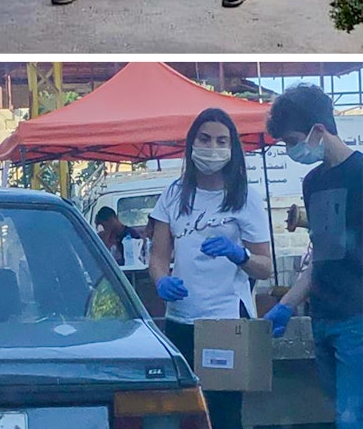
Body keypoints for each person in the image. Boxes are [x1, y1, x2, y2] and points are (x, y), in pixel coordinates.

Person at [149, 108, 273, 429]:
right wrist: (162, 281)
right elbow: (159, 257)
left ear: (232, 149)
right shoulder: (173, 195)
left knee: (224, 415)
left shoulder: (245, 198)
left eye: (221, 141)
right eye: (205, 139)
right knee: (183, 411)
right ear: (192, 143)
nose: (212, 147)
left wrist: (239, 254)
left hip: (226, 322)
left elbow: (265, 267)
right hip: (181, 318)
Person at [264, 85, 362, 429]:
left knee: (350, 419)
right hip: (323, 317)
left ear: (318, 131)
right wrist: (287, 305)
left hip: (358, 319)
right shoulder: (312, 183)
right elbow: (319, 253)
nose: (292, 150)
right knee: (340, 414)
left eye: (292, 141)